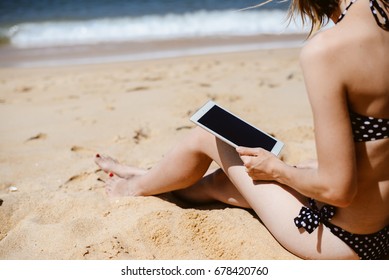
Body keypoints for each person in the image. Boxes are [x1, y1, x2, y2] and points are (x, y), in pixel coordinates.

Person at [94, 0, 389, 260]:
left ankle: (134, 186)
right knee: (222, 184)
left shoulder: (327, 50)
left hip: (343, 240)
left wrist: (277, 170)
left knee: (207, 136)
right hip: (379, 227)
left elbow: (337, 190)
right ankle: (147, 175)